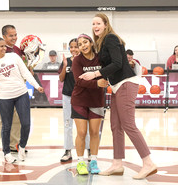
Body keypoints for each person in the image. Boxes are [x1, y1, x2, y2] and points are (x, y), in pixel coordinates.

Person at [79, 13, 157, 179]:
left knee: (128, 124)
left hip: (126, 83)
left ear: (106, 24)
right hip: (116, 86)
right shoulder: (101, 43)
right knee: (115, 126)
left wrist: (95, 74)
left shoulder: (111, 38)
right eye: (93, 24)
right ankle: (117, 164)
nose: (95, 26)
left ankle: (148, 162)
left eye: (98, 23)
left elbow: (117, 63)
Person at [0, 37, 44, 163]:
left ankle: (22, 146)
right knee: (6, 126)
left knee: (26, 124)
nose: (4, 48)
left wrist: (37, 86)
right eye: (1, 46)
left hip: (21, 94)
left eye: (4, 46)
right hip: (4, 98)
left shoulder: (13, 56)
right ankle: (6, 153)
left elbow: (25, 73)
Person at [71, 34, 108, 175]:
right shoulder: (77, 61)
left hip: (96, 101)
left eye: (85, 42)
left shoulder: (101, 58)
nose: (83, 46)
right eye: (80, 44)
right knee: (81, 132)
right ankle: (80, 162)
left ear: (91, 43)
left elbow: (109, 69)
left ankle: (93, 161)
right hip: (79, 100)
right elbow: (79, 81)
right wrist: (97, 83)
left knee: (94, 133)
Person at [0, 25, 25, 156]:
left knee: (17, 118)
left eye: (15, 35)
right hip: (3, 90)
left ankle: (13, 144)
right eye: (10, 35)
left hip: (17, 89)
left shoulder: (17, 50)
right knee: (4, 119)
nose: (14, 37)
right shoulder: (1, 51)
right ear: (4, 37)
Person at [58, 38, 90, 162]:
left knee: (84, 125)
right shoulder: (66, 61)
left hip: (82, 97)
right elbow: (61, 79)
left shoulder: (85, 60)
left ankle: (88, 150)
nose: (73, 49)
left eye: (76, 46)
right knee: (67, 124)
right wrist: (65, 66)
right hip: (67, 96)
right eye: (71, 47)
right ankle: (68, 151)